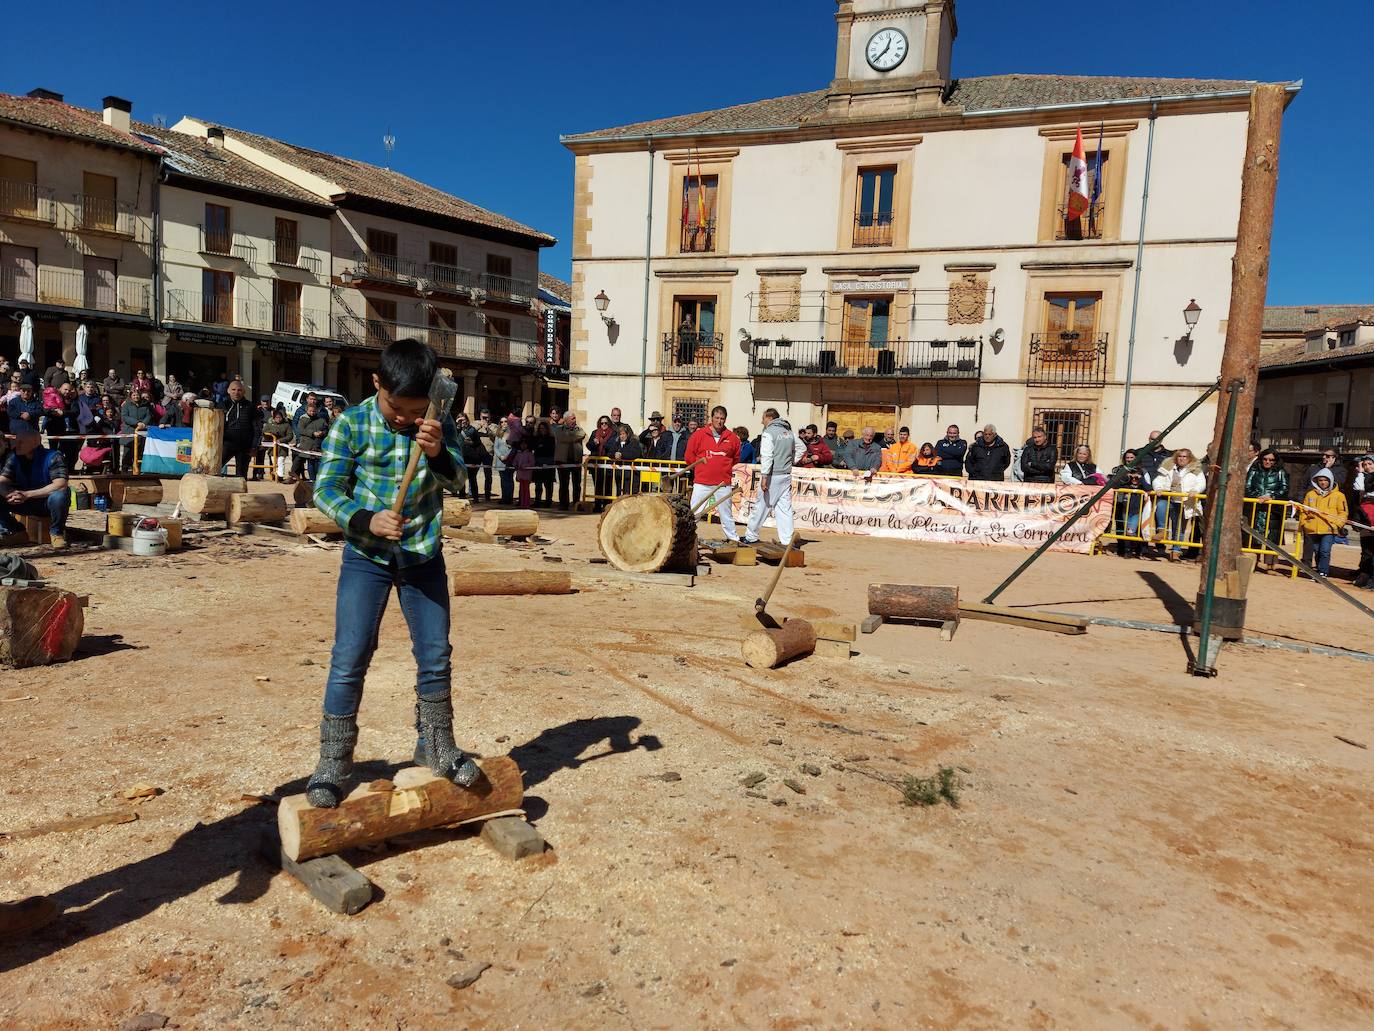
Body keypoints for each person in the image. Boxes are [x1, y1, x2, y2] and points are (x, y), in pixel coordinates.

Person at [301, 338, 477, 810]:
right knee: (350, 655)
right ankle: (334, 761)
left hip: (423, 557)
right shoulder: (351, 423)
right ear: (377, 383)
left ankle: (436, 745)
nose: (404, 419)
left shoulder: (435, 423)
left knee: (436, 653)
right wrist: (364, 519)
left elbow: (458, 479)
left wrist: (440, 452)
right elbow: (325, 490)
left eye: (414, 411)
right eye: (396, 408)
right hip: (367, 557)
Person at [0, 423, 71, 549]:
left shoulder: (54, 457)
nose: (16, 445)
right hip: (23, 502)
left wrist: (27, 494)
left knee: (60, 496)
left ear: (34, 443)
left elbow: (60, 484)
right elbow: (2, 481)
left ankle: (57, 533)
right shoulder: (14, 458)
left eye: (21, 442)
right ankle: (17, 532)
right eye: (16, 441)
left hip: (45, 503)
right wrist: (8, 494)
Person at [743, 408, 804, 546]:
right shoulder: (789, 433)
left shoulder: (768, 433)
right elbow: (802, 448)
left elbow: (767, 456)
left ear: (769, 418)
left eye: (763, 418)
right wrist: (792, 460)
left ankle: (751, 536)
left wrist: (764, 477)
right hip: (785, 475)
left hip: (772, 475)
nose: (761, 421)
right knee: (784, 509)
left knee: (761, 506)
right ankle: (787, 540)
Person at [685, 406, 742, 541]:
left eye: (722, 418)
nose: (719, 421)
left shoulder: (732, 438)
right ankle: (686, 540)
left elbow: (736, 458)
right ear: (712, 418)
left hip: (723, 483)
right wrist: (701, 470)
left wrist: (722, 469)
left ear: (725, 420)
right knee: (695, 512)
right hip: (702, 482)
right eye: (717, 418)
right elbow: (689, 456)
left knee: (726, 513)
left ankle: (733, 539)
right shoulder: (699, 435)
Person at [1152, 448, 1206, 561]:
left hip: (1184, 502)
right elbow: (1158, 480)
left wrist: (1195, 490)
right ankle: (1162, 531)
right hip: (1168, 498)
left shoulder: (1196, 470)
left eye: (1184, 456)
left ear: (1189, 458)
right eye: (1180, 456)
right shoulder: (1168, 467)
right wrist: (1158, 488)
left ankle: (1176, 552)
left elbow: (1201, 483)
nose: (1181, 458)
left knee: (1179, 528)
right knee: (1161, 506)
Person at [1244, 447, 1289, 568]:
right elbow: (1247, 487)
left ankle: (1270, 564)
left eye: (1271, 460)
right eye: (1265, 459)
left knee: (1272, 536)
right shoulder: (1254, 470)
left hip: (1273, 510)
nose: (1268, 462)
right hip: (1255, 508)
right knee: (1253, 535)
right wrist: (1258, 497)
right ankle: (1254, 562)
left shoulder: (1281, 472)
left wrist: (1272, 496)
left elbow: (1284, 488)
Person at [1298, 469, 1347, 578]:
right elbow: (1303, 510)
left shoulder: (1339, 496)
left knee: (1325, 551)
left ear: (1330, 481)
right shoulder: (1310, 494)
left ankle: (1322, 572)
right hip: (1312, 528)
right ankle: (1319, 570)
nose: (1323, 482)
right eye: (1320, 480)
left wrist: (1337, 524)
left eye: (1325, 480)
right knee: (1317, 551)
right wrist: (1304, 523)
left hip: (1329, 529)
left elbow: (1343, 512)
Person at [219, 379, 261, 479]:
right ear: (228, 391)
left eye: (239, 390)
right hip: (226, 444)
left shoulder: (250, 406)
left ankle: (240, 495)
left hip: (244, 446)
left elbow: (257, 428)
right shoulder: (222, 405)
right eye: (233, 389)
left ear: (244, 392)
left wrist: (255, 446)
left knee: (241, 477)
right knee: (213, 468)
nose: (236, 392)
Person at [1109, 453, 1148, 558]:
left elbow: (1149, 487)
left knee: (1134, 529)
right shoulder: (1120, 470)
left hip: (1137, 508)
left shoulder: (1143, 471)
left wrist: (1140, 478)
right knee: (1121, 527)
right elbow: (1114, 484)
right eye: (1127, 458)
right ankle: (1124, 549)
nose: (1129, 460)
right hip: (1122, 503)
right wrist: (1124, 476)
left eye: (1132, 458)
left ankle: (1137, 549)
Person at [289, 398, 329, 482]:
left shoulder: (321, 420)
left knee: (315, 462)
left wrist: (322, 433)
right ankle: (293, 476)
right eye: (310, 411)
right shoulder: (303, 419)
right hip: (305, 444)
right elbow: (301, 430)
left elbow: (326, 429)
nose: (312, 413)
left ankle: (315, 479)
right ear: (307, 410)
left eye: (314, 411)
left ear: (317, 411)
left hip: (317, 445)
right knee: (299, 460)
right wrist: (313, 433)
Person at [552, 412, 586, 510]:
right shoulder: (559, 429)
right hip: (562, 460)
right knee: (563, 484)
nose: (574, 420)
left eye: (574, 418)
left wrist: (570, 437)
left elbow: (582, 434)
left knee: (577, 484)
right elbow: (562, 437)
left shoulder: (579, 429)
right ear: (566, 420)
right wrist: (573, 437)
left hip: (576, 460)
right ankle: (563, 504)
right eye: (572, 419)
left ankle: (576, 504)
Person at [118, 387, 155, 472]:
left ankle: (141, 470)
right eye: (134, 395)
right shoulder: (126, 405)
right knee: (127, 453)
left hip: (142, 432)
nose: (136, 397)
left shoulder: (146, 404)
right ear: (131, 396)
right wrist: (137, 423)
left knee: (141, 452)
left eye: (137, 395)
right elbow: (125, 417)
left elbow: (149, 415)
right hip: (129, 431)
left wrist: (143, 423)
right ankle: (124, 470)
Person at [1352, 455, 1374, 589]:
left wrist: (1361, 474)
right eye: (1365, 464)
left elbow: (1362, 487)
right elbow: (1358, 488)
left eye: (1370, 464)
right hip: (1365, 515)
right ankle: (1364, 577)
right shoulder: (1363, 477)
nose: (1367, 467)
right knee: (1367, 551)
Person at [586, 415, 616, 510]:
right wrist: (594, 443)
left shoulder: (613, 433)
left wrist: (602, 443)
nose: (603, 425)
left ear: (609, 424)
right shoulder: (595, 433)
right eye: (602, 423)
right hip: (596, 463)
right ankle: (597, 505)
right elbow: (588, 445)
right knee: (598, 485)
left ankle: (607, 506)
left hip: (608, 464)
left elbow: (613, 445)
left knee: (608, 485)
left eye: (606, 423)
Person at [454, 413, 486, 499]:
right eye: (460, 420)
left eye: (463, 420)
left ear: (467, 420)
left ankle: (475, 497)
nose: (462, 422)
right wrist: (457, 424)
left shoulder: (472, 430)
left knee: (472, 478)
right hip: (460, 457)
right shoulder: (456, 430)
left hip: (471, 457)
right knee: (461, 478)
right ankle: (462, 496)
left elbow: (477, 442)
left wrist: (471, 443)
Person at [607, 423, 642, 497]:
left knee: (631, 495)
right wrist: (614, 455)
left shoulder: (634, 442)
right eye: (620, 434)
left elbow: (635, 453)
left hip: (632, 474)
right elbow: (610, 452)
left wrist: (622, 455)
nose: (622, 436)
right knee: (620, 494)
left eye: (624, 434)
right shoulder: (617, 443)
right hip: (620, 474)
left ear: (628, 434)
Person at [261, 405, 295, 481]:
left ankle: (280, 476)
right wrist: (271, 434)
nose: (278, 419)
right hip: (272, 448)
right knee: (274, 462)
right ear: (274, 418)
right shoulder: (269, 425)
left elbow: (290, 435)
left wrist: (281, 440)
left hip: (282, 448)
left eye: (280, 417)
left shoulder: (286, 425)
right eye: (276, 417)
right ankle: (274, 475)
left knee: (281, 461)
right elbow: (264, 432)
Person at [470, 409, 497, 502]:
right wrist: (479, 426)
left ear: (490, 417)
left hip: (488, 454)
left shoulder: (494, 426)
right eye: (483, 417)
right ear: (480, 416)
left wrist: (487, 428)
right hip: (476, 453)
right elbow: (470, 433)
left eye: (487, 417)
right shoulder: (475, 424)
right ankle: (474, 496)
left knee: (488, 476)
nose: (485, 419)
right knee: (473, 475)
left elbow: (497, 436)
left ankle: (487, 495)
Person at [532, 419, 556, 507]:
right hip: (538, 462)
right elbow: (535, 448)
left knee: (548, 484)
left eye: (544, 428)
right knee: (538, 484)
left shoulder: (551, 439)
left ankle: (548, 501)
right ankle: (537, 501)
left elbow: (551, 450)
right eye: (540, 428)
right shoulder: (536, 438)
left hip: (548, 462)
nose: (542, 430)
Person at [492, 420, 515, 506]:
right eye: (501, 422)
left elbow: (513, 448)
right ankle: (504, 498)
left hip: (510, 461)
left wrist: (507, 456)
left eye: (505, 421)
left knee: (509, 480)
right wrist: (500, 456)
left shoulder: (513, 435)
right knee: (503, 480)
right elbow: (495, 447)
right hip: (500, 460)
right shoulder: (498, 435)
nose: (503, 423)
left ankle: (509, 498)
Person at [512, 437, 536, 508]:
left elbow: (532, 463)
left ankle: (526, 503)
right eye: (522, 444)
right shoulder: (518, 454)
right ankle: (522, 503)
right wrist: (515, 465)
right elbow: (515, 461)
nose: (523, 446)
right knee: (521, 490)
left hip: (527, 474)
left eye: (524, 444)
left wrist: (524, 466)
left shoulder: (530, 454)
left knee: (526, 489)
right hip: (520, 474)